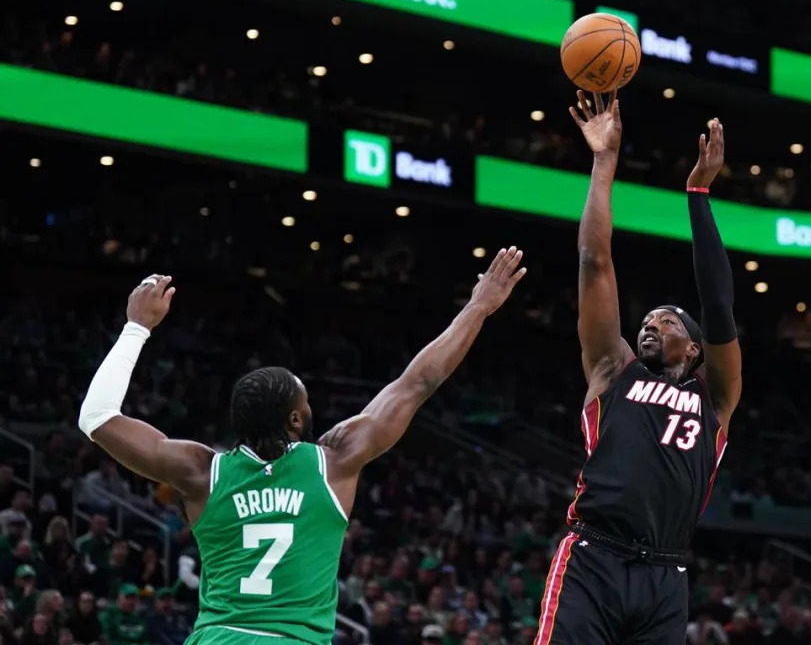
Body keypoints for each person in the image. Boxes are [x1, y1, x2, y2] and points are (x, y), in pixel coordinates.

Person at [78, 248, 527, 645]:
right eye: (306, 400)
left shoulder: (200, 472)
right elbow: (417, 383)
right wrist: (478, 308)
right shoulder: (334, 460)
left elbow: (97, 417)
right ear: (295, 419)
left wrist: (136, 327)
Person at [535, 92, 742, 644]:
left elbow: (719, 307)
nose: (649, 324)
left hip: (666, 575)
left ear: (694, 349)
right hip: (593, 559)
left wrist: (698, 194)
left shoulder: (715, 396)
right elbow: (593, 261)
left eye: (667, 321)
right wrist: (604, 161)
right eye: (646, 319)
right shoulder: (614, 369)